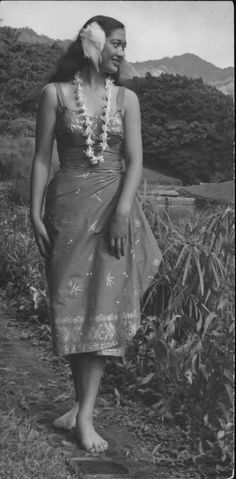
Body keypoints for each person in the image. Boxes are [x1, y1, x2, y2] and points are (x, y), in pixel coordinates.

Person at [30, 15, 162, 454]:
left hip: (112, 211)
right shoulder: (56, 94)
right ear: (95, 43)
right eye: (118, 44)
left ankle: (84, 414)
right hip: (66, 209)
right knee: (71, 304)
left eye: (126, 45)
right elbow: (43, 159)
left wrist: (124, 210)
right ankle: (78, 406)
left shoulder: (126, 99)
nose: (123, 53)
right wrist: (33, 213)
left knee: (103, 305)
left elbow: (136, 161)